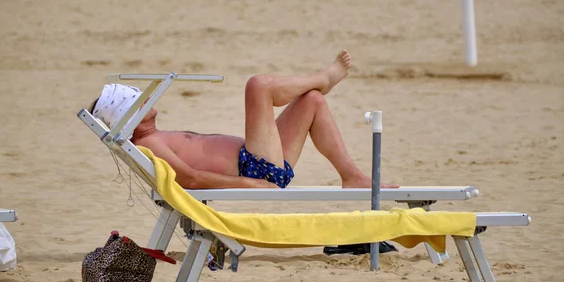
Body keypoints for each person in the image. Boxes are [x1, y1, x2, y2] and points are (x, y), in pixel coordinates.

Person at [90, 50, 399, 190]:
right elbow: (189, 179)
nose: (147, 100)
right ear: (128, 117)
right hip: (254, 168)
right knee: (258, 86)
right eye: (139, 102)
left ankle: (352, 176)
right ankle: (323, 78)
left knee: (313, 102)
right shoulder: (150, 145)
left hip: (258, 162)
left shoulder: (155, 137)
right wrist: (247, 183)